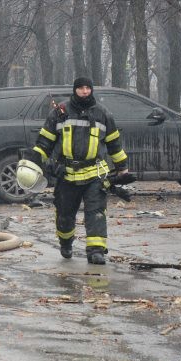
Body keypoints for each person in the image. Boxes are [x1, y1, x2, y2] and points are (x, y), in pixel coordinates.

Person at [25, 77, 128, 265]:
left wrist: (122, 168)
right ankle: (65, 242)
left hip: (95, 173)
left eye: (88, 88)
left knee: (96, 212)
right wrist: (35, 158)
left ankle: (96, 251)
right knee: (65, 214)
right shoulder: (60, 112)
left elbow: (114, 143)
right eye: (81, 88)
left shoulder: (102, 113)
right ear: (75, 90)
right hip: (67, 173)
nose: (85, 91)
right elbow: (45, 141)